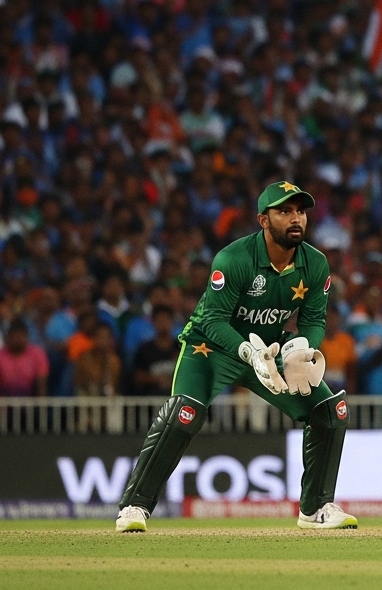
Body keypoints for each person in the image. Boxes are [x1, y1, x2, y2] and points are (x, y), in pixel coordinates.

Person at [115, 181, 357, 532]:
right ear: (263, 220)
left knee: (330, 412)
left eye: (300, 211)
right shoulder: (234, 259)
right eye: (284, 211)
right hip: (211, 347)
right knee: (184, 414)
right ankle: (134, 507)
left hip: (271, 348)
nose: (296, 219)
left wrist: (301, 348)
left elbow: (314, 319)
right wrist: (247, 350)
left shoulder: (315, 263)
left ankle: (316, 508)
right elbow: (212, 319)